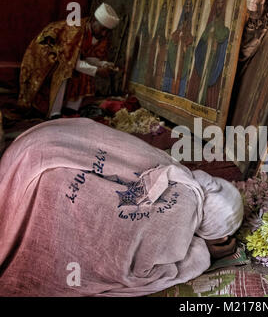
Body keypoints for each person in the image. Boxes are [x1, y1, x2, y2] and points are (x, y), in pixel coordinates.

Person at [0, 118, 243, 296]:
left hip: (40, 146)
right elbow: (137, 267)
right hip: (44, 178)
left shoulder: (182, 174)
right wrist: (207, 252)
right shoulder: (181, 214)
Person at [15, 3, 121, 120]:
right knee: (64, 71)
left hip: (67, 60)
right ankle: (54, 113)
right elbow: (69, 61)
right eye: (103, 29)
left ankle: (70, 109)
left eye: (107, 31)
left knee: (86, 71)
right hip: (43, 57)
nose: (104, 34)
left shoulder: (98, 36)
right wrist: (97, 70)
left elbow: (86, 58)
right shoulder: (75, 30)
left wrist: (103, 65)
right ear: (94, 21)